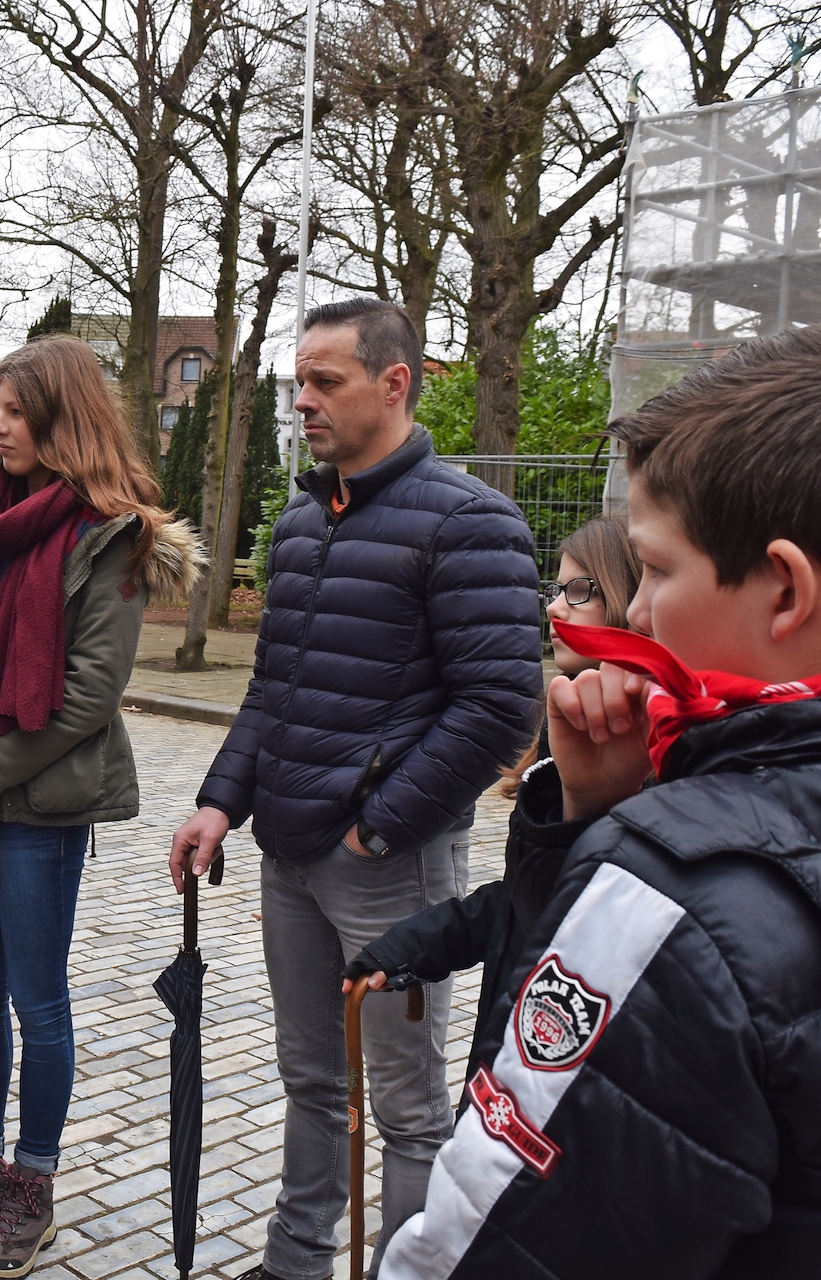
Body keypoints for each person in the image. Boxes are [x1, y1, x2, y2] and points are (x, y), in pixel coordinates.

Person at [379, 320, 821, 1276]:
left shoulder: (666, 895)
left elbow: (488, 1241)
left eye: (655, 569)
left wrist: (626, 846)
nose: (637, 612)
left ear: (784, 591)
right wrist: (596, 813)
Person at [168, 297, 542, 1280]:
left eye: (325, 380)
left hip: (392, 867)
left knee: (411, 1107)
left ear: (394, 382)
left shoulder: (472, 521)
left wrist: (379, 829)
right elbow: (273, 689)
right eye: (299, 381)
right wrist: (220, 801)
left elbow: (502, 705)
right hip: (288, 854)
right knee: (310, 1080)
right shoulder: (301, 518)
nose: (303, 400)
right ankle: (294, 1264)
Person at [0, 336, 201, 1278]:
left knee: (38, 1001)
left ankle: (33, 1186)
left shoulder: (111, 534)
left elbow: (86, 698)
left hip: (35, 807)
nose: (2, 424)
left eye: (20, 410)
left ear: (66, 417)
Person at [339, 514, 643, 1090]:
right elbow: (522, 902)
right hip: (507, 1046)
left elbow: (581, 922)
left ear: (633, 599)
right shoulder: (566, 720)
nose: (555, 609)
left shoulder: (650, 750)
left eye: (581, 592)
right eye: (555, 591)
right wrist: (407, 949)